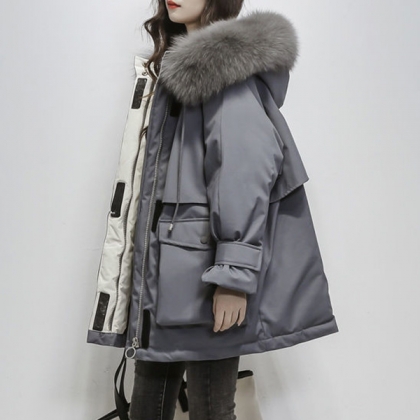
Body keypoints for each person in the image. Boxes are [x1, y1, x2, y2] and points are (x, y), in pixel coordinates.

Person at [86, 0, 339, 419]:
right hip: (171, 273)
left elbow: (245, 172)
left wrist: (234, 277)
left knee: (210, 408)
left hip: (204, 275)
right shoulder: (181, 70)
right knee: (148, 405)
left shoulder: (223, 72)